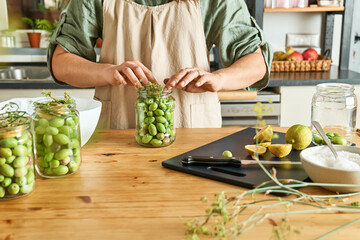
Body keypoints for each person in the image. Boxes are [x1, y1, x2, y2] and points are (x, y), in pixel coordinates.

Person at [48, 0, 273, 129]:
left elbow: (256, 62)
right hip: (117, 133)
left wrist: (218, 79)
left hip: (194, 131)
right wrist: (109, 72)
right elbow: (61, 62)